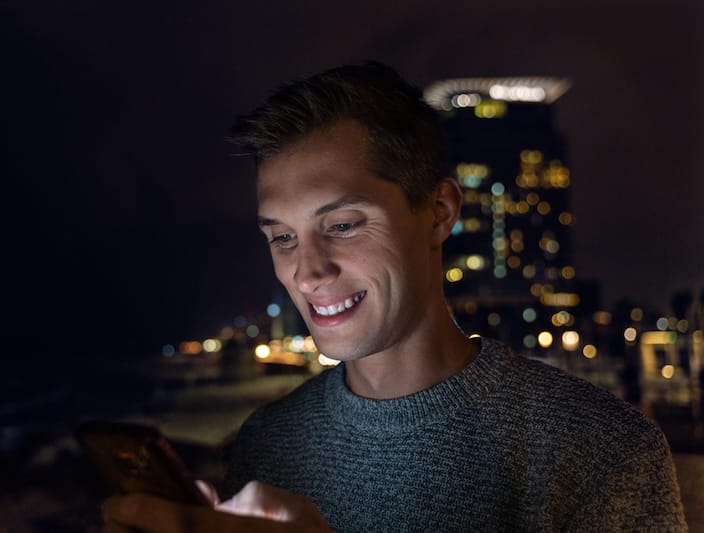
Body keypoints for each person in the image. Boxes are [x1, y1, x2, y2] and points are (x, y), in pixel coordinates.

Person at [103, 62, 687, 532]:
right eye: (281, 237)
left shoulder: (603, 452)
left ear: (439, 213)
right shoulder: (267, 441)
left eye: (343, 225)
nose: (307, 272)